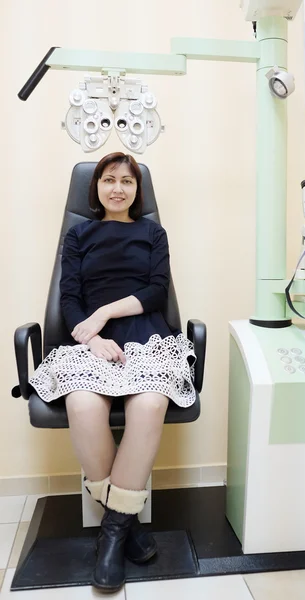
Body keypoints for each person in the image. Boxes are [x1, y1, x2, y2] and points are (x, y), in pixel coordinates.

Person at [29, 152, 196, 593]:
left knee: (151, 402)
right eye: (109, 180)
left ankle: (111, 533)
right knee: (82, 403)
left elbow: (157, 291)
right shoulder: (79, 234)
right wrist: (92, 336)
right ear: (96, 188)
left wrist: (104, 312)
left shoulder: (152, 233)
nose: (118, 188)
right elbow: (69, 299)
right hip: (90, 339)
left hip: (146, 334)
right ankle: (125, 524)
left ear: (138, 190)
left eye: (127, 181)